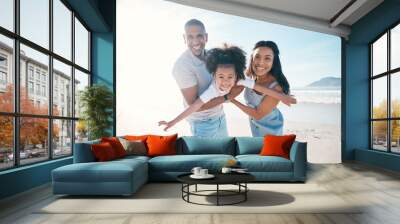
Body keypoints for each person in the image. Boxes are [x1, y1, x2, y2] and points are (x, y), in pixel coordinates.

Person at [160, 44, 296, 132]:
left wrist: (283, 97)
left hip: (268, 125)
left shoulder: (241, 79)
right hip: (203, 121)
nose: (225, 82)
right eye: (221, 77)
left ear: (236, 75)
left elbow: (262, 89)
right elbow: (194, 106)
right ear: (214, 75)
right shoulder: (213, 90)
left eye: (230, 77)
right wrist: (173, 122)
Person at [171, 19, 241, 137]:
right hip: (202, 124)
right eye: (190, 37)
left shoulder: (212, 56)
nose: (195, 41)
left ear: (206, 37)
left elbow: (231, 74)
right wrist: (227, 97)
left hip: (220, 117)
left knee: (225, 155)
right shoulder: (182, 66)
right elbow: (194, 106)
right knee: (208, 156)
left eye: (199, 36)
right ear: (184, 38)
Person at [230, 41, 291, 136]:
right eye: (257, 57)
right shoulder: (250, 77)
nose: (261, 62)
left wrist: (232, 100)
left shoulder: (276, 87)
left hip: (271, 133)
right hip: (255, 129)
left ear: (273, 62)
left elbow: (257, 114)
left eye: (267, 58)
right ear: (252, 59)